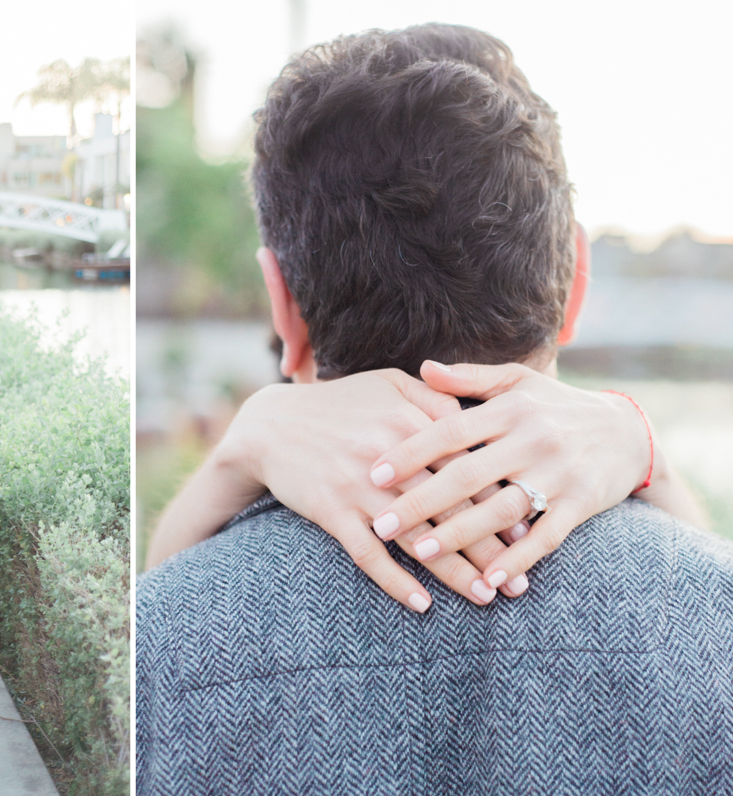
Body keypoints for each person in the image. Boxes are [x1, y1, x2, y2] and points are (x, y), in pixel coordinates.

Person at [137, 24, 732, 793]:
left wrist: (237, 449)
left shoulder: (170, 632)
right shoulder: (709, 613)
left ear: (283, 306)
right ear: (577, 282)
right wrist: (642, 442)